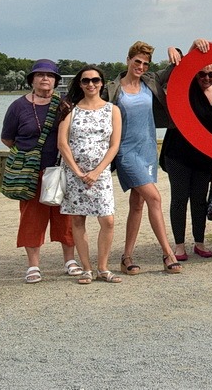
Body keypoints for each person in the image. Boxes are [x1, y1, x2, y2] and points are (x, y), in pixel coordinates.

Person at [107, 38, 209, 275]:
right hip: (126, 152)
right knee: (155, 198)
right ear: (128, 60)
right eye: (137, 61)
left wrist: (179, 48)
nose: (141, 67)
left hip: (148, 150)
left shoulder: (150, 81)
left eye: (145, 63)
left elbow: (179, 67)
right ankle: (168, 253)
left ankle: (127, 257)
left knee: (137, 204)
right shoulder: (114, 89)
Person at [0, 59, 80, 284]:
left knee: (65, 216)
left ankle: (70, 260)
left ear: (55, 80)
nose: (45, 78)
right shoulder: (18, 106)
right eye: (40, 75)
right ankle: (33, 265)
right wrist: (30, 155)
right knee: (31, 218)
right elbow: (7, 138)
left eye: (50, 75)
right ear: (32, 80)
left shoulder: (64, 105)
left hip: (59, 169)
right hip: (31, 172)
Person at [58, 66, 123, 284]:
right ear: (80, 84)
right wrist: (77, 172)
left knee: (108, 220)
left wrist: (97, 171)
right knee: (78, 220)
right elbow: (62, 143)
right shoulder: (70, 109)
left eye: (95, 80)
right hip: (75, 174)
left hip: (101, 174)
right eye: (86, 81)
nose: (91, 84)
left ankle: (103, 268)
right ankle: (86, 268)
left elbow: (114, 145)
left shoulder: (112, 110)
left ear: (102, 83)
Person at [160, 64, 212, 260]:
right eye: (202, 73)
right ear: (194, 74)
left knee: (199, 201)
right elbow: (178, 70)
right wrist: (180, 50)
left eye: (211, 74)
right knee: (179, 199)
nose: (206, 78)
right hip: (178, 153)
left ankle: (199, 242)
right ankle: (179, 245)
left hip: (203, 156)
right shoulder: (186, 89)